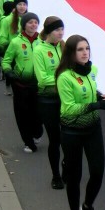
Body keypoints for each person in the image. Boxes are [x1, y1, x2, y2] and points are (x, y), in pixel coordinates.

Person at [55, 35, 105, 210]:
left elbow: (89, 91)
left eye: (87, 48)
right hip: (71, 132)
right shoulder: (64, 77)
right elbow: (68, 109)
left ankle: (87, 205)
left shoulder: (92, 70)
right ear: (71, 53)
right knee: (74, 176)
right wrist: (96, 105)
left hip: (93, 128)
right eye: (80, 49)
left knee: (97, 171)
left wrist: (98, 95)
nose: (85, 52)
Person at [2, 12, 44, 152]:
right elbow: (7, 61)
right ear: (24, 25)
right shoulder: (16, 42)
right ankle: (28, 142)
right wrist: (9, 72)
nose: (33, 25)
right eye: (30, 22)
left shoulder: (42, 42)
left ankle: (37, 132)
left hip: (38, 84)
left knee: (37, 112)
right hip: (20, 84)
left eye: (36, 22)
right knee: (22, 114)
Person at [33, 17, 65, 189]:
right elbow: (43, 79)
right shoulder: (39, 50)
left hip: (65, 99)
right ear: (48, 32)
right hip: (48, 99)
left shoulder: (64, 47)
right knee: (55, 139)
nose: (60, 33)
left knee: (68, 137)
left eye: (62, 29)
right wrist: (64, 80)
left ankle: (66, 166)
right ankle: (56, 175)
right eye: (57, 30)